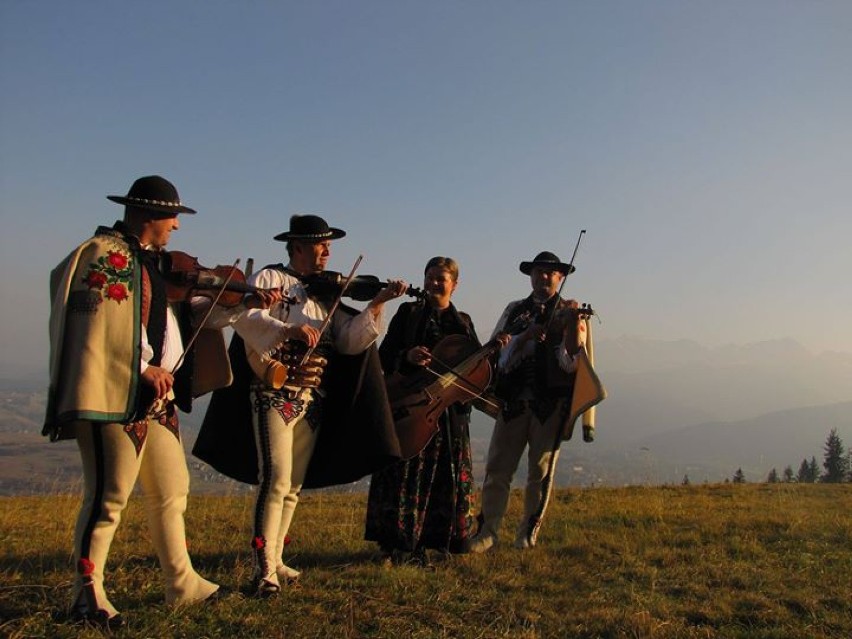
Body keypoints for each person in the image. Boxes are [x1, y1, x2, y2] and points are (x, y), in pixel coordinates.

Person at [43, 175, 281, 628]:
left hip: (159, 398)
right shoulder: (106, 256)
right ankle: (85, 595)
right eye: (173, 216)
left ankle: (181, 581)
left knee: (172, 490)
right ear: (151, 215)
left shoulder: (151, 263)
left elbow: (173, 313)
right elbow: (99, 325)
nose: (176, 226)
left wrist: (232, 302)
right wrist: (139, 366)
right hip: (118, 393)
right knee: (108, 497)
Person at [194, 214, 407, 597]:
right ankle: (262, 570)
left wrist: (376, 303)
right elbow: (245, 317)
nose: (326, 252)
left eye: (328, 246)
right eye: (319, 245)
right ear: (296, 247)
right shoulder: (269, 279)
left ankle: (276, 559)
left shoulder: (329, 292)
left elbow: (347, 341)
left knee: (292, 485)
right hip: (273, 391)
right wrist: (287, 329)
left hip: (312, 396)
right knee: (273, 480)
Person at [365, 257, 500, 565]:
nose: (434, 283)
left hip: (448, 415)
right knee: (403, 474)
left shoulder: (463, 322)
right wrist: (408, 355)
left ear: (455, 284)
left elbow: (476, 369)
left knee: (444, 478)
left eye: (442, 278)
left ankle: (439, 541)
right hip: (412, 407)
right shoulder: (408, 313)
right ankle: (397, 543)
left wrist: (493, 351)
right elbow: (384, 357)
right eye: (430, 277)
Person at [469, 251, 588, 553]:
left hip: (550, 405)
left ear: (560, 278)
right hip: (512, 401)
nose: (544, 277)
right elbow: (496, 353)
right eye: (539, 271)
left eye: (550, 272)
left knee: (540, 471)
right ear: (531, 276)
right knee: (498, 468)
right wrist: (523, 337)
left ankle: (527, 532)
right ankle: (487, 532)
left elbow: (572, 362)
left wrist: (573, 323)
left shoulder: (569, 312)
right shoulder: (515, 310)